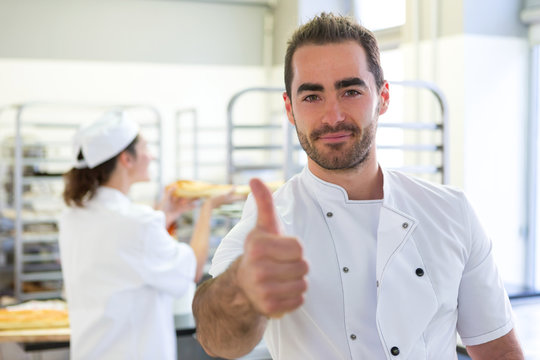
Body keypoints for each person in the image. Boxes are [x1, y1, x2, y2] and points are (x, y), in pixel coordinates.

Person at [192, 13, 524, 360]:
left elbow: (497, 349)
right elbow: (218, 341)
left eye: (350, 91)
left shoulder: (451, 211)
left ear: (383, 97)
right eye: (312, 96)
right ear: (289, 109)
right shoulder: (271, 224)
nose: (333, 115)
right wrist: (242, 289)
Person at [59, 111, 242, 360]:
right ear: (126, 159)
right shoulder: (138, 223)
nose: (151, 155)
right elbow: (193, 270)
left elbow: (121, 248)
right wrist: (207, 208)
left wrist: (164, 215)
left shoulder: (73, 216)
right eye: (144, 147)